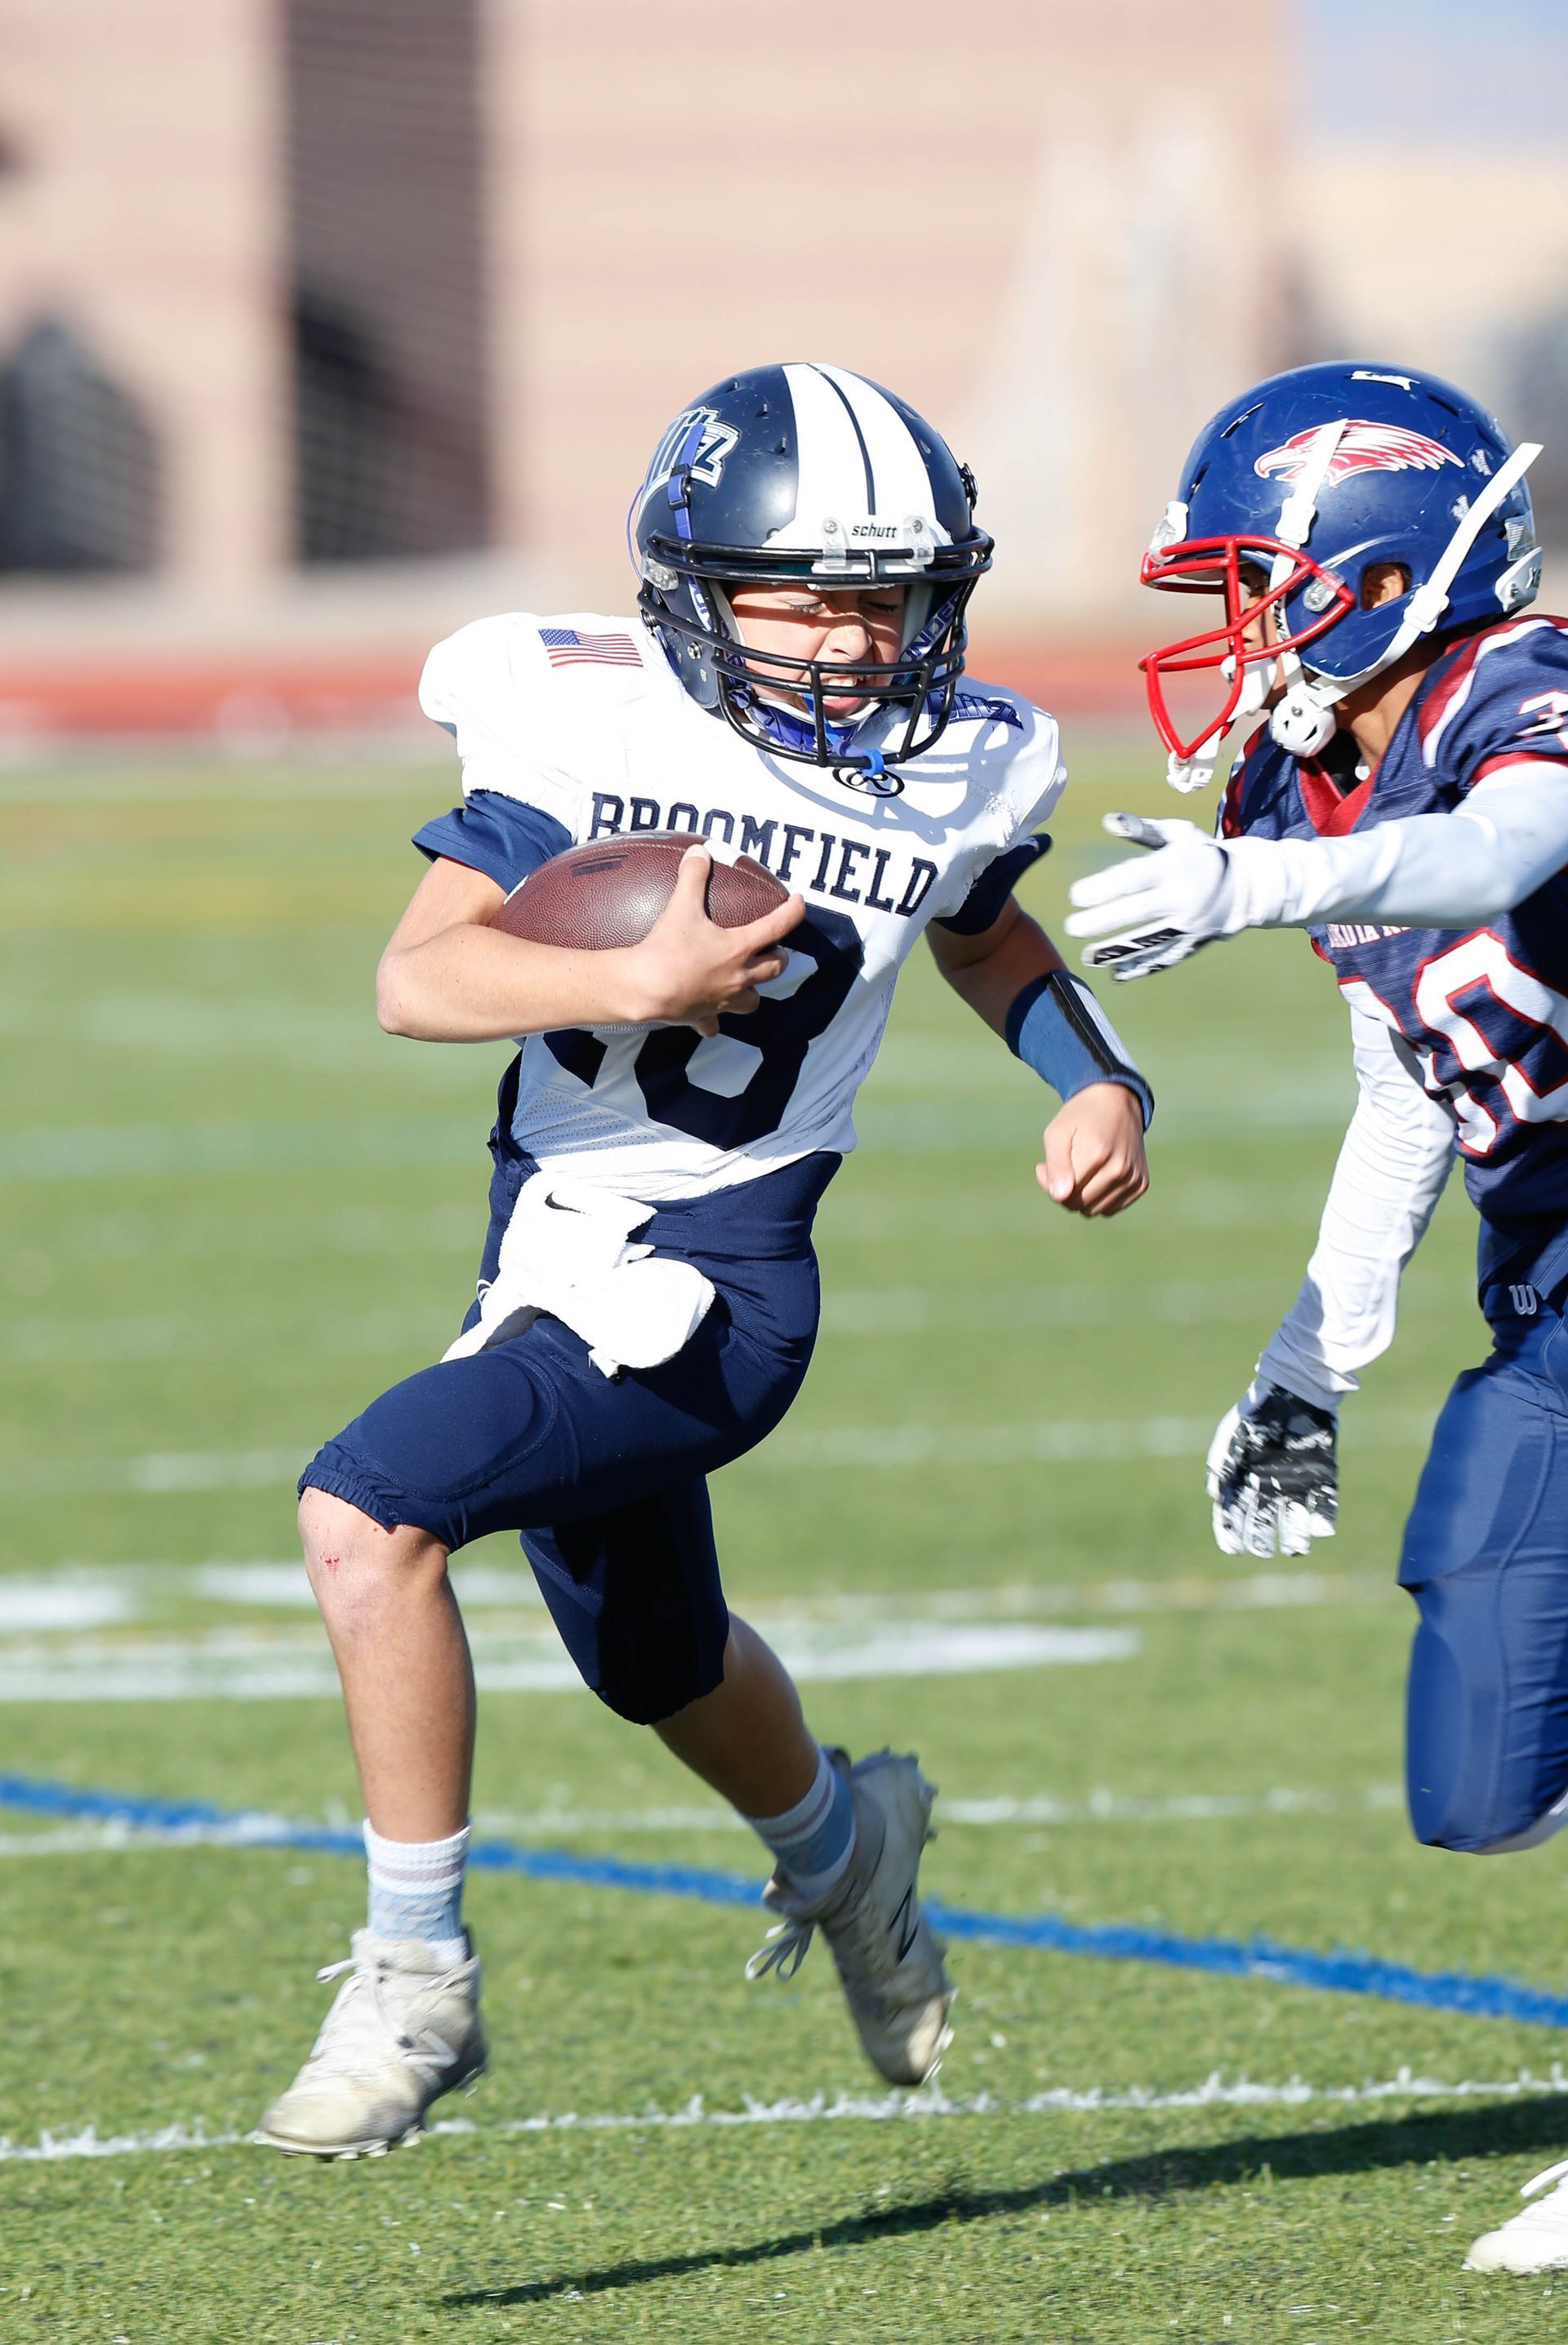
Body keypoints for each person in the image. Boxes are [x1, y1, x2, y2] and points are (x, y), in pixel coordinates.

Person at [255, 361, 1152, 2162]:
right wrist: (624, 977)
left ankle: (415, 1969)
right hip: (551, 1257)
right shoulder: (592, 720)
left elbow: (983, 934)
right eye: (800, 594)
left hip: (718, 1290)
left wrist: (1096, 1074)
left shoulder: (958, 756)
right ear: (692, 588)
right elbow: (418, 978)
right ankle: (849, 1849)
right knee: (658, 1659)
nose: (845, 641)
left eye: (882, 598)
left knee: (368, 1515)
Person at [1063, 358, 1568, 2276]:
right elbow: (1402, 1083)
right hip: (1550, 1279)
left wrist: (1262, 882)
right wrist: (1307, 1350)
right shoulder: (1307, 760)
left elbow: (1507, 852)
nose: (1235, 628)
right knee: (1478, 1772)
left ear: (1371, 560)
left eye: (1255, 579)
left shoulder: (1522, 681)